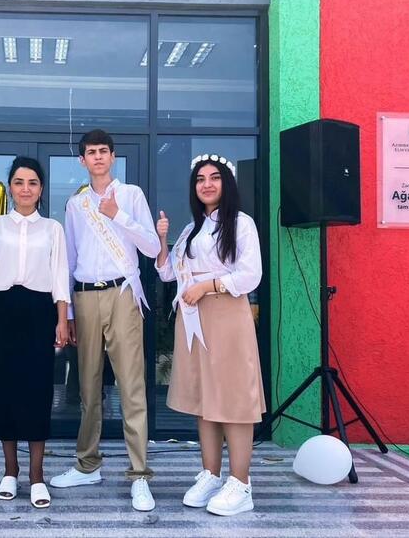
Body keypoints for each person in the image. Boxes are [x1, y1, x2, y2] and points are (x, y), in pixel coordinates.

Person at [50, 130, 160, 511]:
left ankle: (139, 474)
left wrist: (119, 216)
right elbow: (69, 258)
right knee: (87, 386)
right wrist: (66, 312)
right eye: (90, 152)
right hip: (84, 296)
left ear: (113, 157)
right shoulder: (75, 204)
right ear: (82, 160)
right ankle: (87, 464)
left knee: (131, 386)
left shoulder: (131, 196)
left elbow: (152, 247)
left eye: (103, 151)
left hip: (122, 293)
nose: (97, 157)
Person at [155, 153, 265, 516]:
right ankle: (211, 474)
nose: (206, 184)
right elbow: (167, 273)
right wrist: (163, 239)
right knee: (205, 398)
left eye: (214, 177)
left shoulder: (241, 223)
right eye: (200, 179)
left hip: (226, 314)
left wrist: (207, 286)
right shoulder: (192, 229)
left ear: (226, 183)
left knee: (234, 398)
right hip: (193, 319)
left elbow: (250, 275)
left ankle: (241, 482)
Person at [0, 157, 69, 509]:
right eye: (19, 182)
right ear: (10, 187)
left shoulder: (53, 229)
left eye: (33, 183)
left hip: (40, 311)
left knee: (39, 391)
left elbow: (60, 276)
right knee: (5, 390)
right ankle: (10, 470)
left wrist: (63, 319)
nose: (25, 189)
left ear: (41, 189)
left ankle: (37, 475)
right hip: (1, 311)